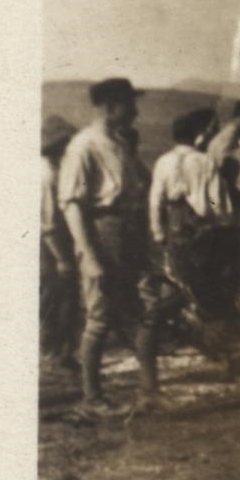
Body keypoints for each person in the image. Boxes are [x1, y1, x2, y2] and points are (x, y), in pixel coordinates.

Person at [56, 77, 159, 413]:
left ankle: (149, 392)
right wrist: (88, 256)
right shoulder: (83, 146)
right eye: (130, 104)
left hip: (130, 232)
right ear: (111, 106)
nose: (135, 111)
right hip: (104, 232)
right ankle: (92, 398)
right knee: (100, 315)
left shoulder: (118, 144)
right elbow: (72, 205)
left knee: (149, 307)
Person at [149, 108, 233, 249]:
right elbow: (214, 199)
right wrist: (219, 218)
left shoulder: (163, 161)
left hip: (174, 224)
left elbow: (155, 199)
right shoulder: (206, 161)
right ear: (196, 135)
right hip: (201, 225)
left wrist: (158, 232)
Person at [40, 115, 81, 371]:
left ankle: (56, 351)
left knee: (53, 299)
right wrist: (63, 258)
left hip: (50, 245)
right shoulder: (48, 175)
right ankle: (57, 353)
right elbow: (49, 224)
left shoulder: (50, 171)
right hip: (51, 247)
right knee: (59, 298)